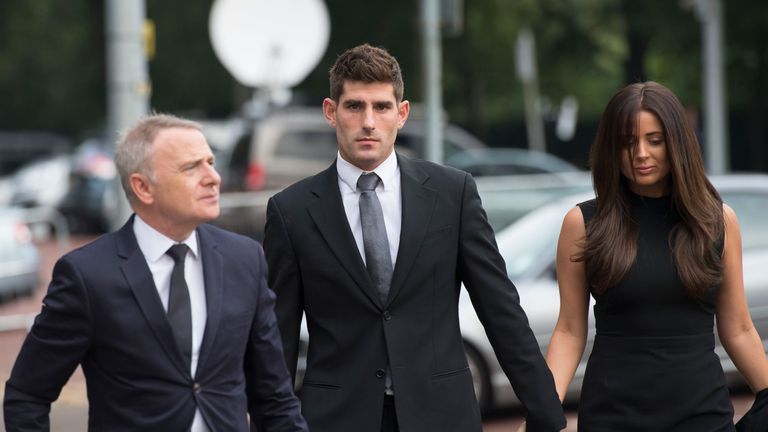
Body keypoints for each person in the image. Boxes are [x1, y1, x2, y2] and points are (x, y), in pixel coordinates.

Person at [262, 43, 566, 432]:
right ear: (330, 112)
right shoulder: (291, 211)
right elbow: (278, 340)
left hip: (442, 415)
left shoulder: (453, 193)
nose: (368, 122)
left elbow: (500, 309)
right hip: (337, 418)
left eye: (382, 107)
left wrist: (546, 414)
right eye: (354, 106)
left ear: (401, 114)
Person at [3, 114, 308, 431]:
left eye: (210, 162)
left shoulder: (244, 260)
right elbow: (27, 396)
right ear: (143, 187)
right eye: (191, 167)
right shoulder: (87, 275)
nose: (213, 177)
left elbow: (274, 399)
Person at [545, 81, 768, 431]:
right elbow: (570, 330)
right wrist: (542, 410)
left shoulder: (718, 221)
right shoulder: (583, 223)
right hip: (612, 416)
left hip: (702, 416)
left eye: (655, 140)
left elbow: (738, 327)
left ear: (677, 143)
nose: (641, 154)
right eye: (628, 142)